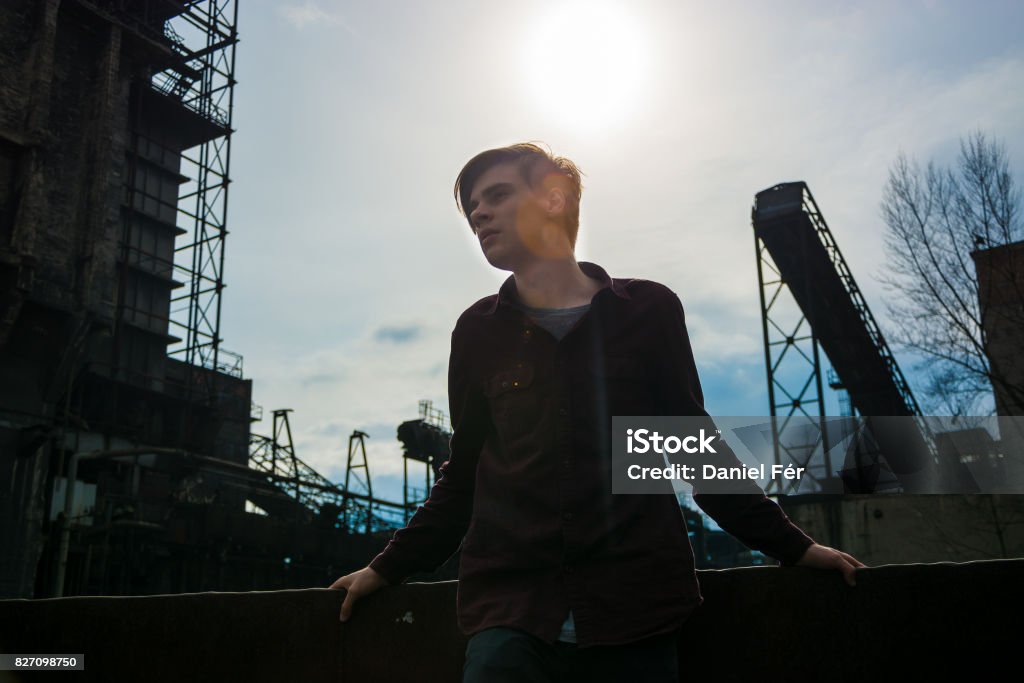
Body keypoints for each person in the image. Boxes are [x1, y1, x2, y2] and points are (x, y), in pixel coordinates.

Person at [328, 142, 865, 682]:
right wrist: (384, 568)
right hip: (513, 617)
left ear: (555, 199)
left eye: (496, 196)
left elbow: (695, 452)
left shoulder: (649, 311)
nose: (478, 214)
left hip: (635, 612)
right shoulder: (477, 332)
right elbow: (462, 477)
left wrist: (794, 547)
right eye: (471, 209)